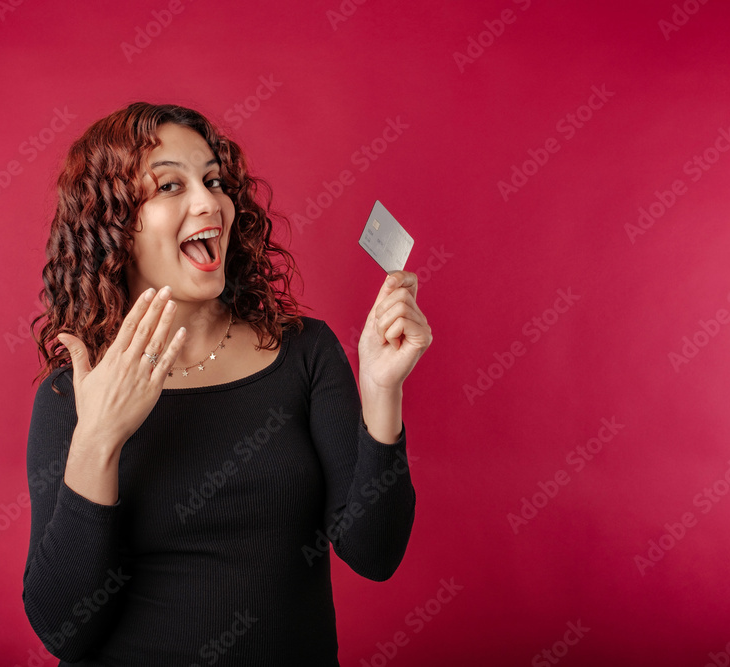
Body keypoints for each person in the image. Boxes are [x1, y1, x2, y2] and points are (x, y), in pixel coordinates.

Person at [22, 101, 432, 666]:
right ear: (114, 226)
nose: (208, 200)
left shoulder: (304, 352)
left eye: (214, 179)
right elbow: (64, 630)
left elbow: (375, 553)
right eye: (169, 185)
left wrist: (383, 392)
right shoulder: (74, 392)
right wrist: (99, 437)